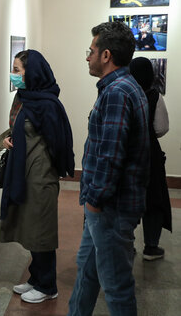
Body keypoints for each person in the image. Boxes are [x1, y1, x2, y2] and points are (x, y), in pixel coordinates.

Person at [68, 22, 150, 316]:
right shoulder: (124, 87)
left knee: (116, 286)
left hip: (109, 209)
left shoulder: (117, 92)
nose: (87, 57)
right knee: (86, 273)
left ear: (105, 55)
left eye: (90, 51)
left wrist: (94, 200)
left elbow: (110, 156)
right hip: (105, 208)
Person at [0, 49, 75, 304]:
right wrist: (8, 140)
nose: (14, 74)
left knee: (41, 230)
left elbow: (59, 142)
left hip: (40, 176)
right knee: (30, 227)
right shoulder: (23, 98)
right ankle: (35, 278)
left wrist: (48, 171)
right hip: (24, 171)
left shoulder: (48, 104)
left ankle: (47, 285)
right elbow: (17, 128)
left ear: (32, 72)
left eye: (17, 70)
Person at [129, 57, 172, 261]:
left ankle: (126, 244)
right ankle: (151, 247)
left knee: (127, 199)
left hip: (127, 153)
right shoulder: (155, 96)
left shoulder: (125, 93)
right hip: (150, 154)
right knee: (153, 198)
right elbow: (161, 128)